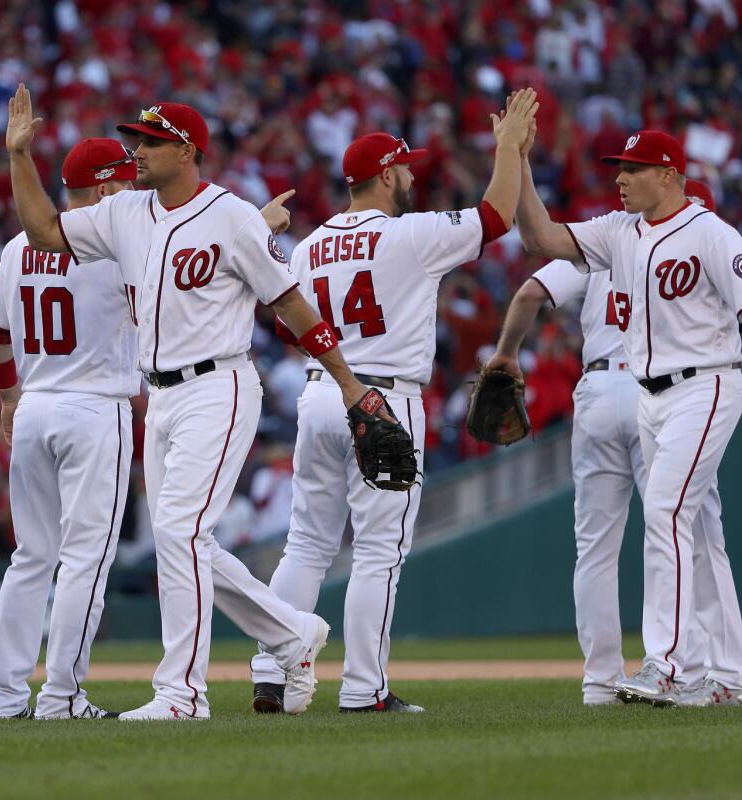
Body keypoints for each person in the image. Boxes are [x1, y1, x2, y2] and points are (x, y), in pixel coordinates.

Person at [5, 85, 411, 720]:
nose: (137, 150)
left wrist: (349, 382)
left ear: (187, 151)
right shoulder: (124, 213)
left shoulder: (232, 215)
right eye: (136, 139)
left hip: (218, 386)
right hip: (158, 397)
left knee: (179, 533)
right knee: (187, 541)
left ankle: (182, 694)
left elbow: (291, 302)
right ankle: (290, 633)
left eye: (152, 142)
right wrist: (18, 158)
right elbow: (45, 231)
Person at [249, 90, 535, 715]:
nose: (410, 177)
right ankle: (363, 689)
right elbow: (497, 216)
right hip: (384, 397)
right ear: (384, 176)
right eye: (405, 169)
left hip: (321, 392)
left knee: (305, 544)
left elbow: (286, 327)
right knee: (379, 551)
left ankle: (270, 673)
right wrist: (509, 147)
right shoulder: (412, 233)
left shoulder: (308, 245)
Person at [514, 113, 742, 707]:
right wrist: (516, 161)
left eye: (634, 169)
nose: (621, 178)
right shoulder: (620, 231)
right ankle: (726, 675)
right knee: (688, 524)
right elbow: (540, 240)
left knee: (666, 509)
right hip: (646, 395)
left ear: (669, 176)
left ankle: (664, 666)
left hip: (706, 382)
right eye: (620, 168)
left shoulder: (712, 233)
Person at [0, 138, 139, 720]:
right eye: (124, 179)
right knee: (84, 559)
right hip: (95, 408)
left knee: (31, 557)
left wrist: (7, 399)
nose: (133, 188)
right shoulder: (120, 245)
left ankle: (4, 697)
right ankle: (62, 696)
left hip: (35, 406)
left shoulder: (19, 245)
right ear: (102, 188)